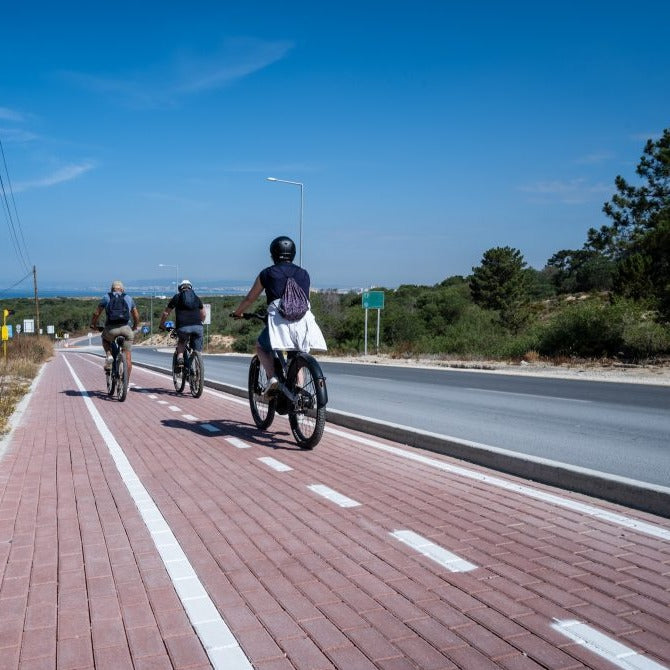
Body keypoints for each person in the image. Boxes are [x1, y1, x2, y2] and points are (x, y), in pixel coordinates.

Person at [232, 235, 326, 393]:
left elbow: (250, 299)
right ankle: (299, 391)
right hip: (303, 323)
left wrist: (238, 313)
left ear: (273, 254)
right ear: (293, 253)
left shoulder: (267, 274)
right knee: (296, 355)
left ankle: (272, 377)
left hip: (279, 322)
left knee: (261, 346)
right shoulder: (304, 274)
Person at [90, 280, 141, 379]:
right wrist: (135, 326)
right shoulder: (128, 298)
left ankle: (109, 355)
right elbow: (136, 315)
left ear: (112, 289)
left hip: (111, 329)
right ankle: (125, 382)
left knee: (105, 339)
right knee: (127, 358)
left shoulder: (106, 297)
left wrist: (94, 325)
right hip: (126, 329)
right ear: (122, 289)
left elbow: (96, 313)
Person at [158, 279, 206, 366]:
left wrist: (162, 324)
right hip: (198, 327)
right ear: (191, 288)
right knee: (197, 348)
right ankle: (198, 363)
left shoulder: (177, 297)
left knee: (181, 341)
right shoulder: (196, 298)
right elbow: (203, 314)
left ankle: (180, 358)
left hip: (183, 327)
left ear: (180, 288)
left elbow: (166, 313)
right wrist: (200, 322)